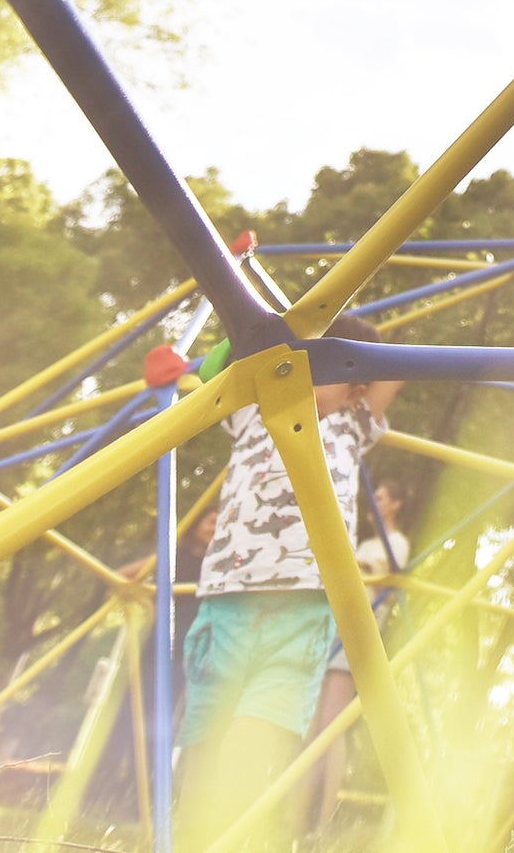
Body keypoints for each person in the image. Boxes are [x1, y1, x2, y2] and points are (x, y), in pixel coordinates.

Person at [175, 314, 402, 848]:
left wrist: (357, 353)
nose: (307, 373)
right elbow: (213, 366)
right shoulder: (254, 411)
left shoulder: (351, 424)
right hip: (230, 597)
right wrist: (275, 328)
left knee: (261, 736)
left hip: (304, 607)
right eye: (306, 360)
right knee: (205, 739)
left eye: (330, 370)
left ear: (356, 390)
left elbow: (394, 372)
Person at [304, 476, 411, 831]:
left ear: (395, 505)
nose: (375, 502)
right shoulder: (366, 542)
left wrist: (352, 563)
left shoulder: (397, 543)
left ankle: (322, 825)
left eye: (381, 496)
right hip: (334, 626)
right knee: (311, 728)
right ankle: (294, 820)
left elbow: (388, 585)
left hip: (357, 633)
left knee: (331, 729)